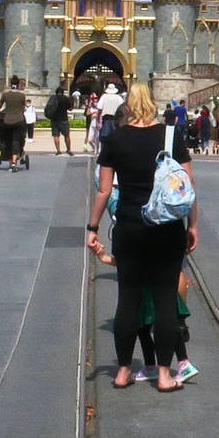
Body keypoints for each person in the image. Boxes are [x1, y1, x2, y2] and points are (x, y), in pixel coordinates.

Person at [87, 82, 195, 392]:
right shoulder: (170, 136)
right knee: (164, 300)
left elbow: (105, 190)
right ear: (151, 102)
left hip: (130, 227)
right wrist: (193, 225)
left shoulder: (115, 139)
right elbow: (188, 185)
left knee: (128, 299)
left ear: (127, 106)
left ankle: (122, 371)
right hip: (166, 227)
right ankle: (163, 374)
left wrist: (93, 229)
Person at [0, 76, 29, 171]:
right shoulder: (22, 96)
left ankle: (5, 156)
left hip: (7, 121)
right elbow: (23, 109)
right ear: (18, 85)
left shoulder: (5, 95)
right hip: (18, 121)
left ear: (10, 84)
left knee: (6, 140)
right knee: (16, 141)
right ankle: (13, 163)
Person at [45, 82, 74, 156]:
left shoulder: (53, 98)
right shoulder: (66, 99)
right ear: (63, 92)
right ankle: (68, 150)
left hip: (54, 119)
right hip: (64, 119)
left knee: (56, 135)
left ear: (56, 92)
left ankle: (58, 150)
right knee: (66, 135)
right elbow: (70, 109)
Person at [96, 80, 124, 145]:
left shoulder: (104, 97)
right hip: (115, 120)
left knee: (105, 138)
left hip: (106, 120)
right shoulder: (119, 98)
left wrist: (98, 121)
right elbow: (122, 109)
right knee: (115, 139)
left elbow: (99, 109)